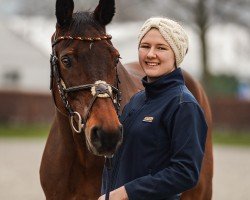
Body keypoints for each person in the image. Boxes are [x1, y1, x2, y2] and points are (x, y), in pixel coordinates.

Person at [98, 17, 208, 200]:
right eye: (145, 46)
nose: (150, 54)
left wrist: (126, 193)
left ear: (176, 54)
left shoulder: (183, 105)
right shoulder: (137, 100)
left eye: (161, 48)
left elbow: (186, 172)